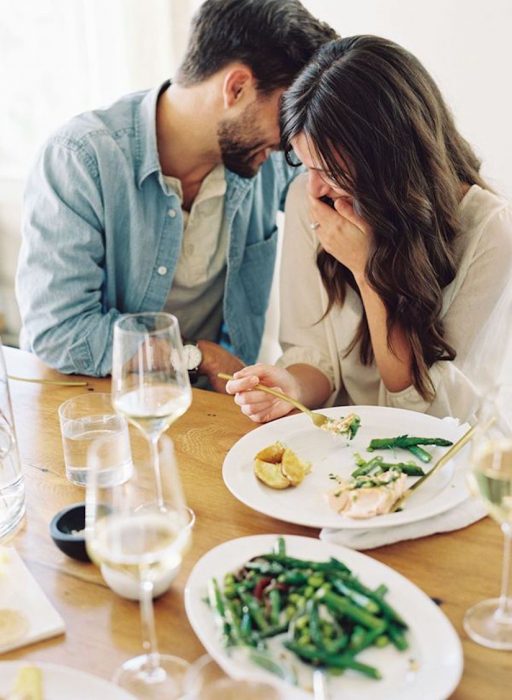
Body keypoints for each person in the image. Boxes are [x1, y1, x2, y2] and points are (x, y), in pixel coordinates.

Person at [16, 0, 337, 390]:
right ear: (236, 88)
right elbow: (59, 330)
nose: (291, 139)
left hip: (212, 407)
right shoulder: (81, 159)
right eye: (286, 115)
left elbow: (351, 188)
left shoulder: (267, 156)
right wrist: (197, 358)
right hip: (94, 402)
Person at [226, 35, 512, 422]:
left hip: (452, 456)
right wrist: (291, 386)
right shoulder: (310, 201)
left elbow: (432, 407)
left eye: (329, 172)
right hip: (344, 454)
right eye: (306, 166)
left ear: (388, 162)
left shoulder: (490, 231)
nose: (314, 188)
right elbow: (317, 357)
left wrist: (367, 270)